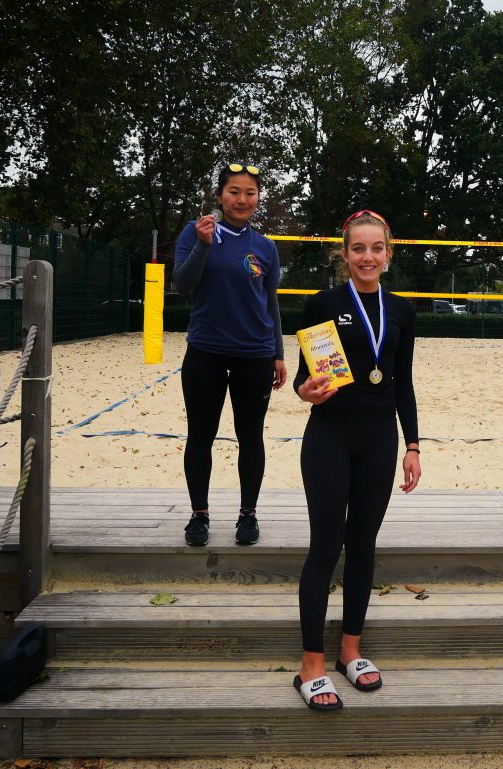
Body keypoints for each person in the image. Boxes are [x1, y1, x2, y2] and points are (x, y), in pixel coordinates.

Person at [292, 210, 421, 711]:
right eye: (358, 249)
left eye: (376, 248)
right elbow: (307, 379)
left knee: (363, 544)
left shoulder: (402, 310)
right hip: (328, 437)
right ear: (344, 254)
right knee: (325, 546)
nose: (368, 257)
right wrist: (307, 392)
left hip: (379, 440)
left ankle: (350, 650)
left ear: (388, 254)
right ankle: (311, 665)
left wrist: (412, 445)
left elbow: (403, 384)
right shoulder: (322, 305)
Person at [174, 162, 287, 547]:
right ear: (220, 195)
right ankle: (199, 515)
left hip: (255, 354)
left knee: (250, 436)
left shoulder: (266, 247)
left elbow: (270, 302)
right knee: (200, 436)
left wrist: (278, 353)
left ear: (258, 199)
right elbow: (183, 285)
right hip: (205, 350)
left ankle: (248, 515)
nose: (242, 199)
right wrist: (204, 246)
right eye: (234, 191)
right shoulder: (197, 231)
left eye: (250, 193)